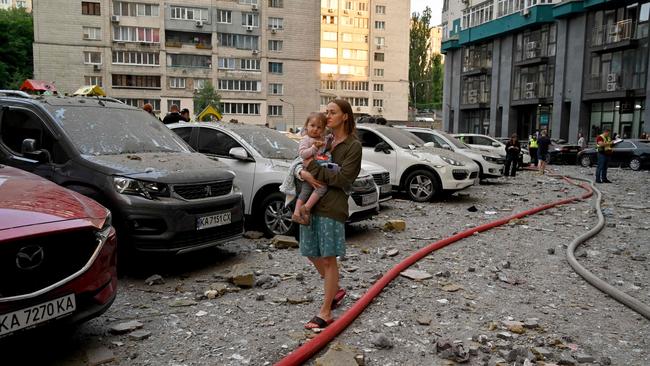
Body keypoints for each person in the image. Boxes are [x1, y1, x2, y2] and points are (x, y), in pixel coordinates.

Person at [297, 99, 361, 330]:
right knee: (309, 251)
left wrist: (310, 170)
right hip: (313, 204)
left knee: (328, 257)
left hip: (332, 206)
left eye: (333, 112)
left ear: (345, 116)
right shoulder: (325, 140)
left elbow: (344, 179)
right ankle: (334, 290)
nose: (328, 115)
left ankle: (325, 312)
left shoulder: (353, 146)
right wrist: (300, 172)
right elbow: (299, 161)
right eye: (327, 112)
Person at [292, 112, 333, 225]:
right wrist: (314, 147)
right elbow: (302, 154)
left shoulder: (322, 139)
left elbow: (326, 151)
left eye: (319, 127)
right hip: (309, 169)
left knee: (307, 191)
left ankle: (297, 214)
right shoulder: (306, 139)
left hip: (318, 169)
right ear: (306, 126)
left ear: (323, 129)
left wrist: (327, 144)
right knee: (320, 188)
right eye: (312, 126)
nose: (315, 129)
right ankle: (304, 209)